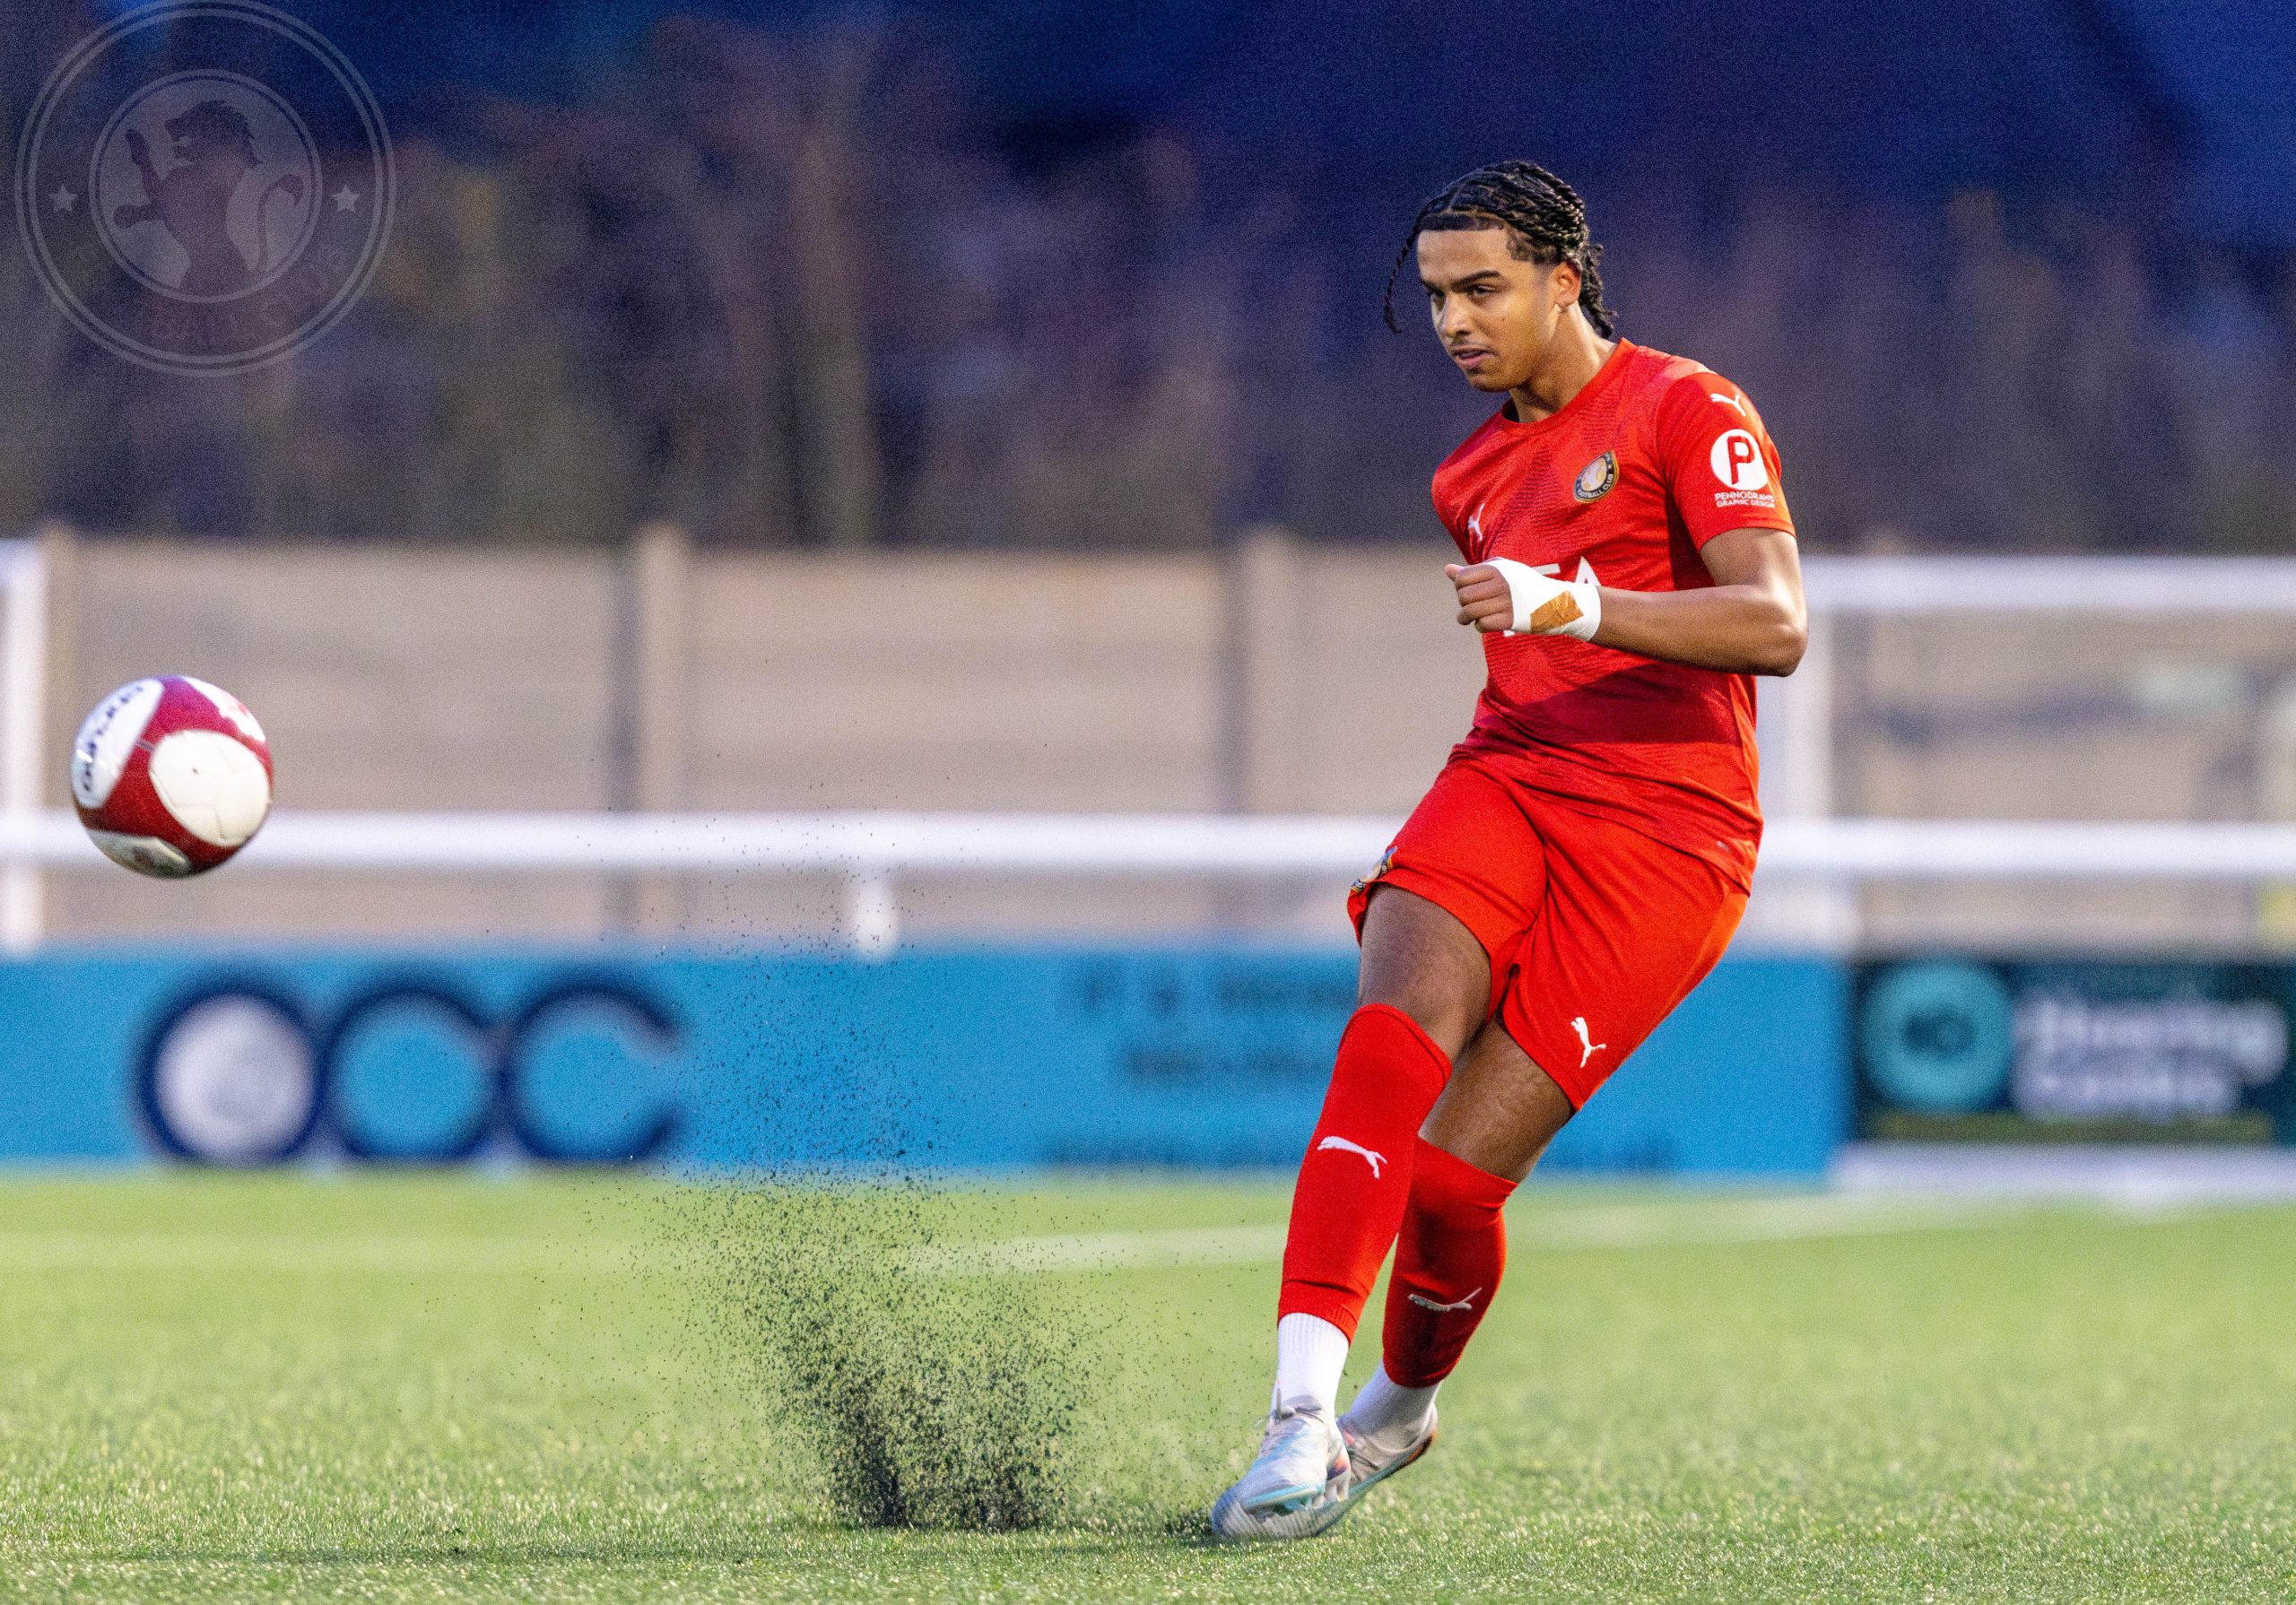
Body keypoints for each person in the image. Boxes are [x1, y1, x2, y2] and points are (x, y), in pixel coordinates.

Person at [1209, 160, 1807, 1540]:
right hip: (1512, 776)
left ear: (1564, 279)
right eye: (1435, 297)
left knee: (1453, 1181)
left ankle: (1398, 1410)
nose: (1456, 322)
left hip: (1670, 835)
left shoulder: (1688, 408)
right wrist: (1548, 620)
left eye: (1482, 288)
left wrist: (1576, 604)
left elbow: (1775, 623)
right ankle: (1297, 1412)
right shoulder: (1468, 475)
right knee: (1389, 1035)